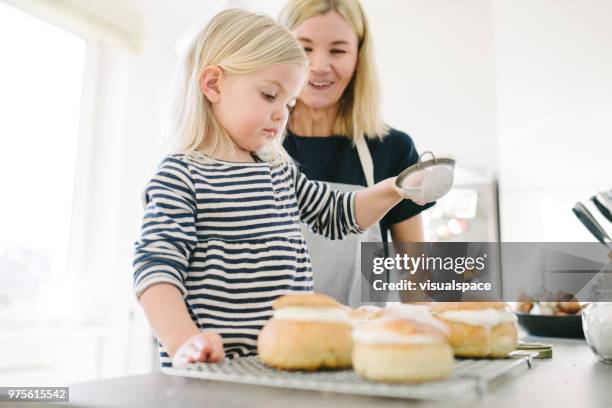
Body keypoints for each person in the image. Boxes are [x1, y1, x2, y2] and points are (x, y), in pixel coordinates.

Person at [134, 9, 410, 367]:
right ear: (213, 84)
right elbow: (156, 269)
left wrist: (398, 188)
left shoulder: (278, 170)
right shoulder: (182, 176)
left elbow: (338, 214)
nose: (282, 115)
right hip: (212, 372)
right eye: (269, 95)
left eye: (289, 103)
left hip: (281, 365)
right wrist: (184, 341)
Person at [278, 0, 435, 307]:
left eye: (338, 50)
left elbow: (417, 278)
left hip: (364, 349)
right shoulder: (252, 148)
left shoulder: (392, 150)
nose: (320, 65)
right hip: (271, 346)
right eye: (304, 48)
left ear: (358, 56)